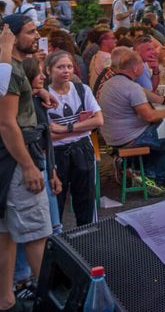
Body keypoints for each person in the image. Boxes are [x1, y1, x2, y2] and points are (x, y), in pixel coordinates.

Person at [0, 16, 54, 312]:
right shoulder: (5, 69)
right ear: (12, 36)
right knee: (37, 233)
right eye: (31, 32)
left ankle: (5, 299)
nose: (37, 36)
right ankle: (50, 302)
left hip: (4, 157)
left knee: (6, 230)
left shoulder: (9, 67)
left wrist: (37, 92)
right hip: (13, 158)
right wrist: (27, 165)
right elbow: (7, 123)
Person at [97, 48, 165, 190]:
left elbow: (147, 94)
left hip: (112, 137)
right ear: (135, 68)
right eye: (142, 66)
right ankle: (154, 177)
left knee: (163, 129)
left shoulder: (111, 82)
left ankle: (136, 168)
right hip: (129, 139)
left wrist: (164, 101)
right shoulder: (131, 87)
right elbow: (149, 116)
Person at [44, 51, 101, 227]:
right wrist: (80, 128)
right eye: (60, 67)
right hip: (56, 153)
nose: (66, 71)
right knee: (56, 200)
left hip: (82, 149)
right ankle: (56, 241)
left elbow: (99, 120)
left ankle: (87, 236)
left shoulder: (82, 89)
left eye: (69, 66)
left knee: (86, 198)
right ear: (48, 70)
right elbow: (47, 135)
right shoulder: (44, 95)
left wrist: (65, 128)